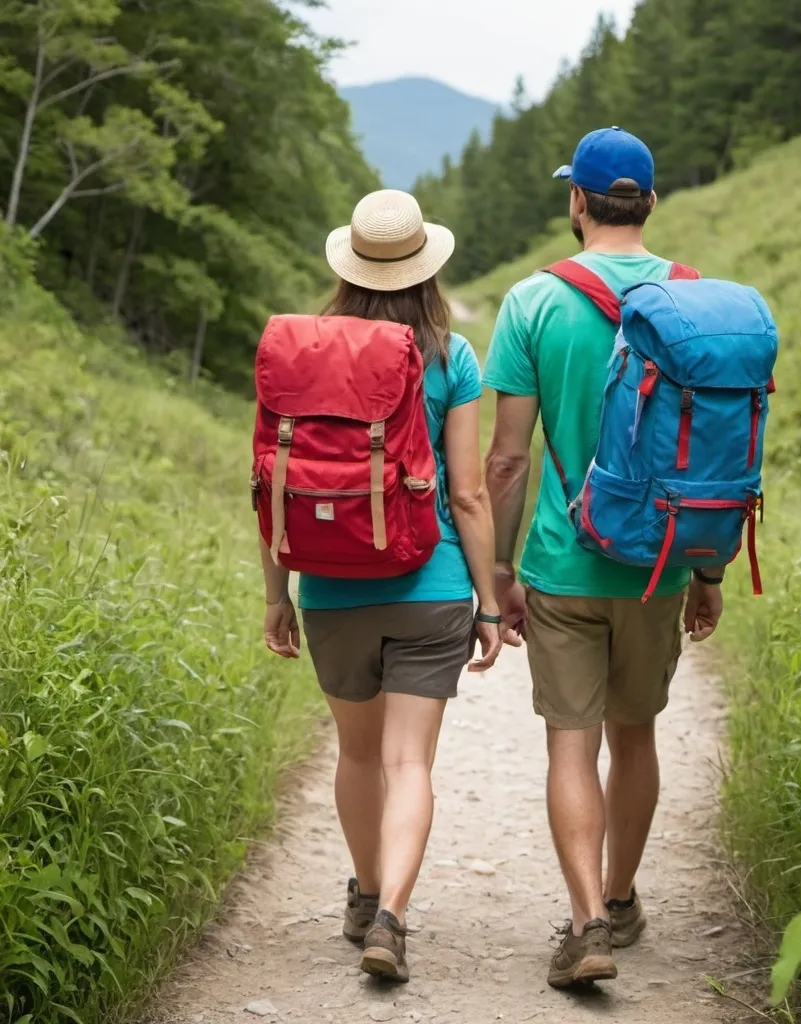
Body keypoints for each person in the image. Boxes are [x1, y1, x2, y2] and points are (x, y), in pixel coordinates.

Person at [482, 129, 726, 988]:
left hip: (563, 563)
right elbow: (712, 452)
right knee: (638, 734)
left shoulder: (533, 303)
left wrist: (500, 575)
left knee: (570, 745)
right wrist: (708, 574)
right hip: (659, 562)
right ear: (651, 202)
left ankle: (585, 921)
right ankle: (622, 899)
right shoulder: (696, 300)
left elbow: (508, 459)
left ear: (576, 203)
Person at [258, 189, 503, 984]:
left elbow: (270, 482)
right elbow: (467, 494)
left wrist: (277, 594)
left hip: (331, 588)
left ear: (349, 264)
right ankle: (393, 915)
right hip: (429, 586)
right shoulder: (450, 357)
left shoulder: (299, 352)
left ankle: (363, 896)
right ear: (427, 267)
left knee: (358, 756)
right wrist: (490, 601)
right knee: (409, 765)